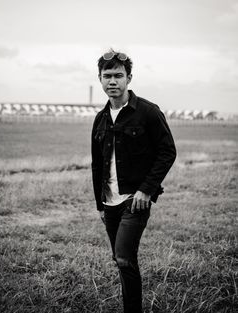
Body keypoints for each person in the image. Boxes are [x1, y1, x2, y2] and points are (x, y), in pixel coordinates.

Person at [91, 49, 176, 313]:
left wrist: (146, 190)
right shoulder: (101, 119)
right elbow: (97, 164)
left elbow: (167, 151)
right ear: (100, 79)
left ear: (129, 78)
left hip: (135, 200)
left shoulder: (148, 112)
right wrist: (100, 206)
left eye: (118, 75)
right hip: (109, 201)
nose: (112, 81)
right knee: (120, 258)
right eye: (107, 76)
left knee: (125, 258)